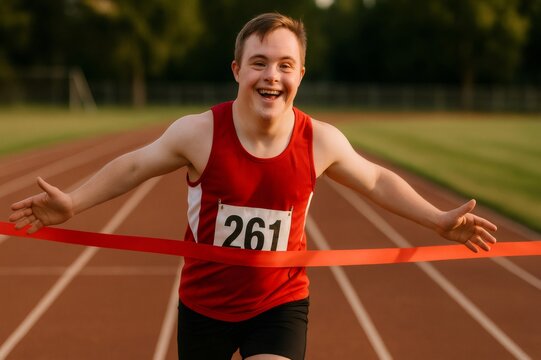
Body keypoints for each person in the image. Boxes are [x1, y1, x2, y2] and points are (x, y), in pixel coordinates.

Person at [9, 12, 497, 360]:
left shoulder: (319, 141)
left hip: (279, 303)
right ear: (237, 70)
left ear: (300, 75)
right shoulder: (199, 132)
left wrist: (437, 219)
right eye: (260, 62)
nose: (272, 75)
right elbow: (134, 167)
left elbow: (374, 179)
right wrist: (72, 202)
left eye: (285, 65)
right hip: (203, 306)